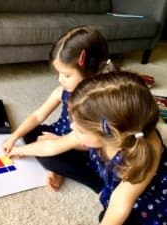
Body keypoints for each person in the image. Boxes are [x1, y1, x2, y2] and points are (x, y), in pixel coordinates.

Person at [10, 71, 167, 225]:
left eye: (80, 129)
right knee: (38, 139)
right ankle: (100, 186)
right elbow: (52, 147)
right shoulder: (103, 129)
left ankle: (102, 188)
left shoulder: (145, 150)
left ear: (108, 133)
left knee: (113, 217)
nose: (71, 127)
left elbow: (120, 205)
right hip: (107, 171)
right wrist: (19, 150)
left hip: (144, 197)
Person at [2, 26, 116, 191]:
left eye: (67, 75)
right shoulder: (63, 90)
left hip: (84, 147)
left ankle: (95, 183)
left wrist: (23, 150)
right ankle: (56, 168)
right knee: (29, 133)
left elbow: (91, 143)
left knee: (47, 153)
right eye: (59, 74)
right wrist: (14, 136)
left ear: (90, 70)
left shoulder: (97, 103)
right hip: (61, 135)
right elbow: (37, 116)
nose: (60, 80)